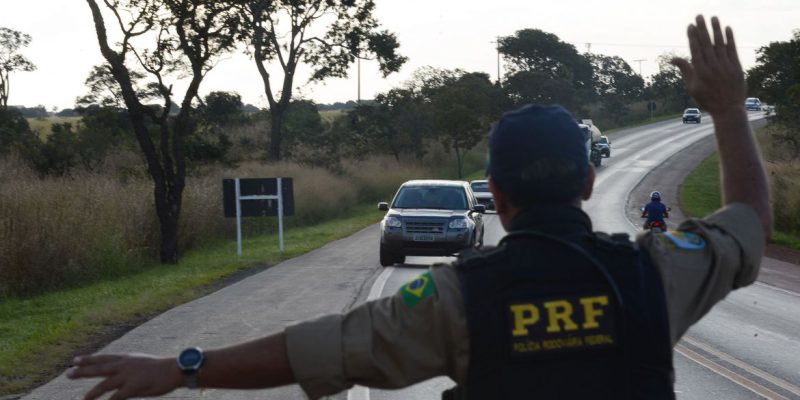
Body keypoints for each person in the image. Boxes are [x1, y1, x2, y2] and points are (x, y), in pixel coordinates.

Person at [67, 15, 771, 400]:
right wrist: (730, 111)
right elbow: (746, 225)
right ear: (590, 184)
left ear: (493, 195)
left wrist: (184, 367)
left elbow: (319, 349)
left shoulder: (455, 297)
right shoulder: (654, 272)